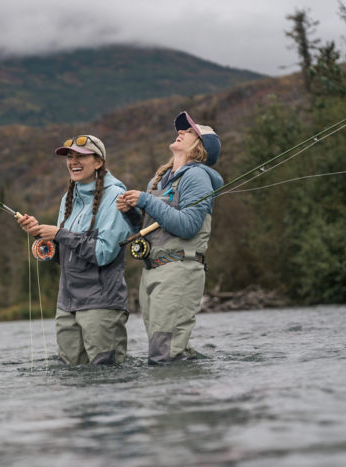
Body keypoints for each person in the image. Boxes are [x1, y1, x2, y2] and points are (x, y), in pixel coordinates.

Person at [18, 134, 138, 365]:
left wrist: (59, 234)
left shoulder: (115, 196)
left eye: (81, 156)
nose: (74, 161)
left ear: (99, 162)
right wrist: (40, 235)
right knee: (72, 381)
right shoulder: (68, 199)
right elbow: (66, 256)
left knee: (107, 378)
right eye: (70, 157)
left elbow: (103, 253)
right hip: (67, 304)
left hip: (101, 304)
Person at [116, 111, 224, 365]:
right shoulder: (157, 181)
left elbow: (187, 227)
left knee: (165, 354)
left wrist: (145, 201)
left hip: (179, 270)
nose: (181, 132)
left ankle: (181, 400)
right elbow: (144, 230)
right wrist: (132, 213)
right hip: (152, 271)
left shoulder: (197, 177)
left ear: (200, 147)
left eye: (188, 132)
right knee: (163, 351)